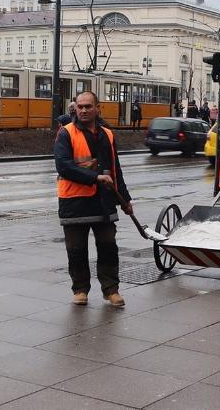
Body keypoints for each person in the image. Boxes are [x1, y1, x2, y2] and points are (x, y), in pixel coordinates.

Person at [54, 91, 133, 307]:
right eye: (80, 107)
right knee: (76, 249)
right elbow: (63, 166)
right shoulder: (66, 133)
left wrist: (125, 200)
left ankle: (111, 290)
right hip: (74, 201)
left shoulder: (107, 134)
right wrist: (95, 177)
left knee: (108, 246)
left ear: (97, 108)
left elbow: (115, 169)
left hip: (103, 201)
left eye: (88, 106)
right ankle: (80, 290)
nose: (83, 110)